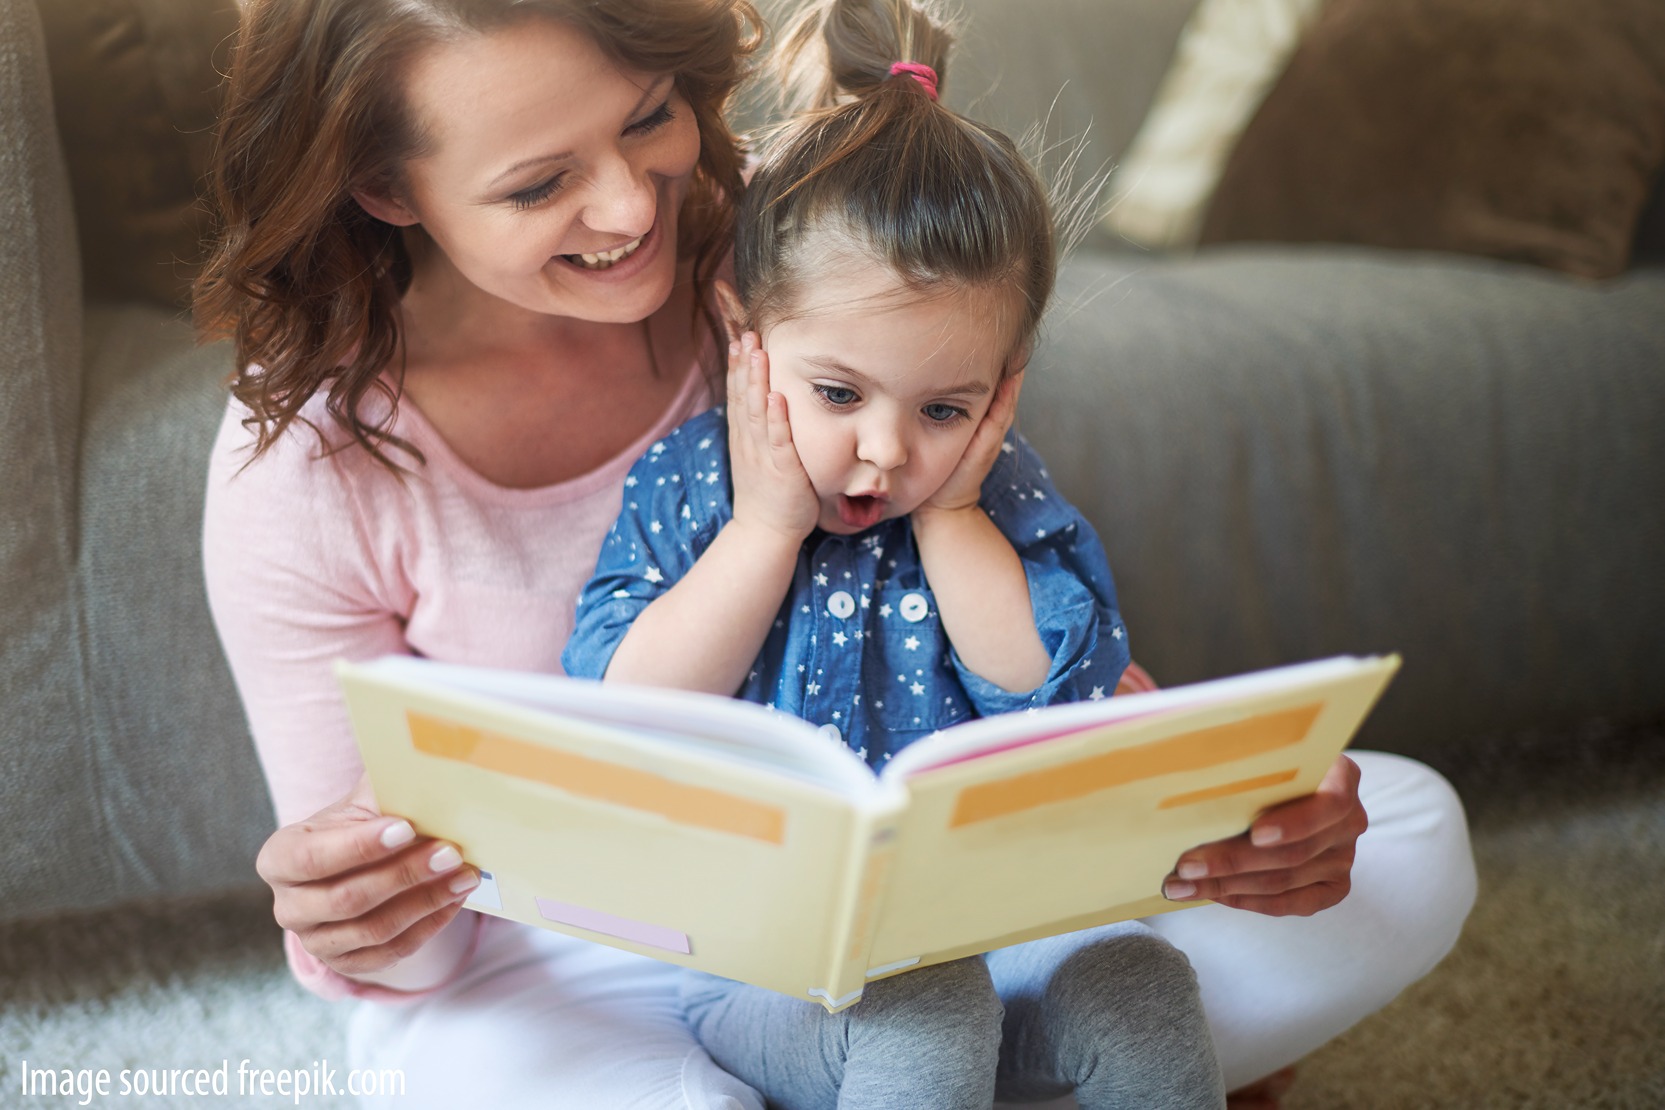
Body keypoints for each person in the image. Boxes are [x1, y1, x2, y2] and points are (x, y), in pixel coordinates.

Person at [195, 0, 1476, 1107]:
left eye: (648, 117)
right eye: (539, 185)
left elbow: (1007, 618)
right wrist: (364, 912)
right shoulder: (308, 473)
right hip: (579, 957)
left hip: (941, 907)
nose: (632, 206)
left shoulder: (803, 245)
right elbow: (414, 940)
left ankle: (955, 1061)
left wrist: (1223, 811)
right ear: (387, 188)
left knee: (1410, 835)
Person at [561, 1, 1225, 1105]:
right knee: (919, 997)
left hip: (993, 929)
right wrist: (767, 528)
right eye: (836, 394)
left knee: (1137, 979)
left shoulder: (990, 494)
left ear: (1004, 386)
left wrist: (957, 516)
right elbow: (624, 711)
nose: (884, 452)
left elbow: (1044, 688)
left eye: (944, 407)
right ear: (744, 331)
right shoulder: (691, 487)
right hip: (755, 966)